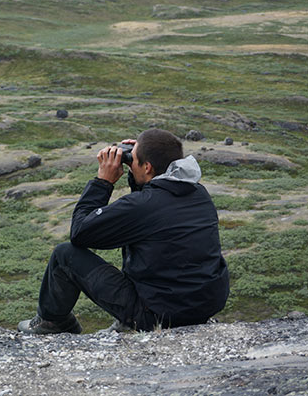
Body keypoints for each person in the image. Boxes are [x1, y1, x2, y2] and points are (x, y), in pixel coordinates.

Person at [18, 128, 229, 334]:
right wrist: (137, 165)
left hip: (158, 315)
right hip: (202, 307)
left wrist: (103, 182)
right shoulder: (199, 193)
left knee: (64, 255)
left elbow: (80, 233)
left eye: (133, 159)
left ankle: (53, 323)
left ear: (147, 167)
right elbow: (150, 208)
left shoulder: (143, 205)